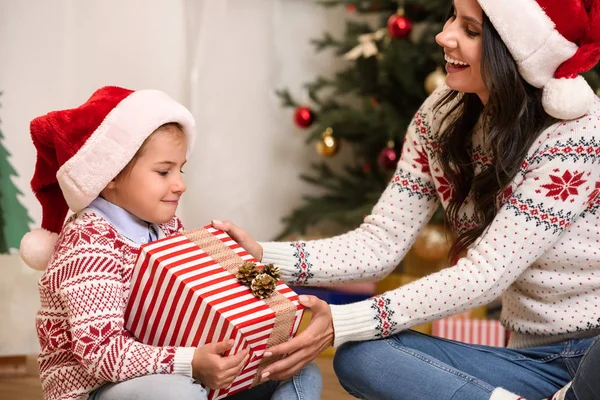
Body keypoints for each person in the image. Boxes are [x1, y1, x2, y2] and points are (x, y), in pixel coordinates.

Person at [213, 0, 600, 398]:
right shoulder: (441, 114)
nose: (443, 36)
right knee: (363, 355)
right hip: (528, 360)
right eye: (453, 16)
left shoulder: (577, 135)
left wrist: (341, 320)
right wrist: (261, 256)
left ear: (517, 48)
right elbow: (380, 242)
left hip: (596, 357)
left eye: (470, 30)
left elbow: (484, 275)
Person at [20, 86, 322, 400]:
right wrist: (190, 362)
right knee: (178, 392)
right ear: (110, 174)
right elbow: (101, 354)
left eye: (181, 169)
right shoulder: (88, 244)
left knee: (295, 371)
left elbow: (184, 309)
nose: (180, 185)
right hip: (96, 388)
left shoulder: (166, 227)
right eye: (164, 171)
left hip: (173, 369)